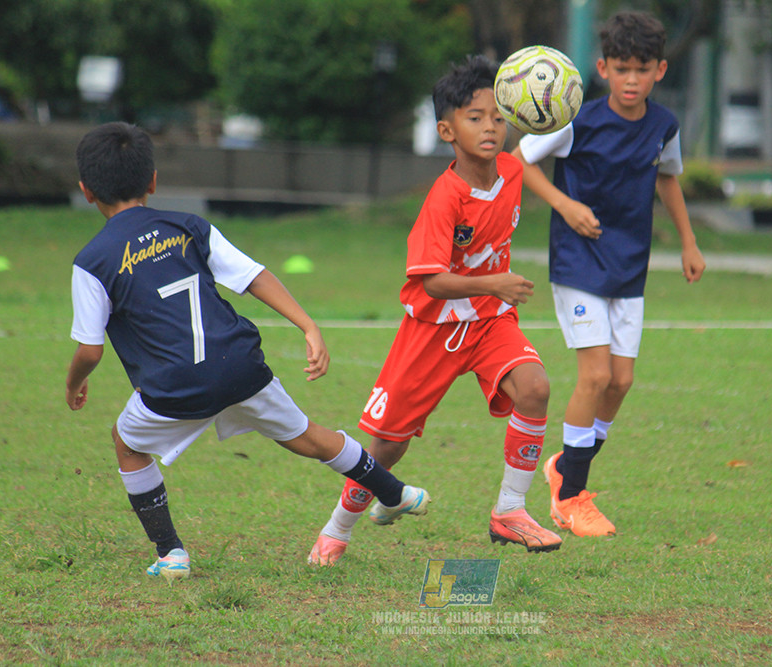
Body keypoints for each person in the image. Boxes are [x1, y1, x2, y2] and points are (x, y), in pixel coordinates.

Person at [65, 122, 428, 580]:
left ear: (85, 190)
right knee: (309, 438)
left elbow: (90, 350)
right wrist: (308, 325)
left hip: (175, 384)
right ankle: (395, 492)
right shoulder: (189, 226)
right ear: (153, 180)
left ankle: (170, 553)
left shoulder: (92, 260)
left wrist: (74, 383)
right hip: (237, 364)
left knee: (126, 442)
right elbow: (253, 275)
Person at [308, 55, 561, 566]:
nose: (489, 126)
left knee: (534, 387)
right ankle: (337, 529)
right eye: (475, 117)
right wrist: (494, 281)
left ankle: (509, 511)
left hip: (490, 321)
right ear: (447, 130)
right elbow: (429, 280)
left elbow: (540, 139)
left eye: (497, 116)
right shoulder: (444, 198)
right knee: (387, 449)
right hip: (431, 330)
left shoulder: (511, 169)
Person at [511, 10, 706, 538]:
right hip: (578, 262)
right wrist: (564, 205)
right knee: (595, 376)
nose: (631, 80)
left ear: (660, 70)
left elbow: (668, 179)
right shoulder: (578, 121)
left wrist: (688, 243)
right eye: (621, 69)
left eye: (642, 69)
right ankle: (571, 496)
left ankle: (564, 467)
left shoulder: (664, 126)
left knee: (621, 382)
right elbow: (521, 160)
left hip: (628, 264)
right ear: (603, 68)